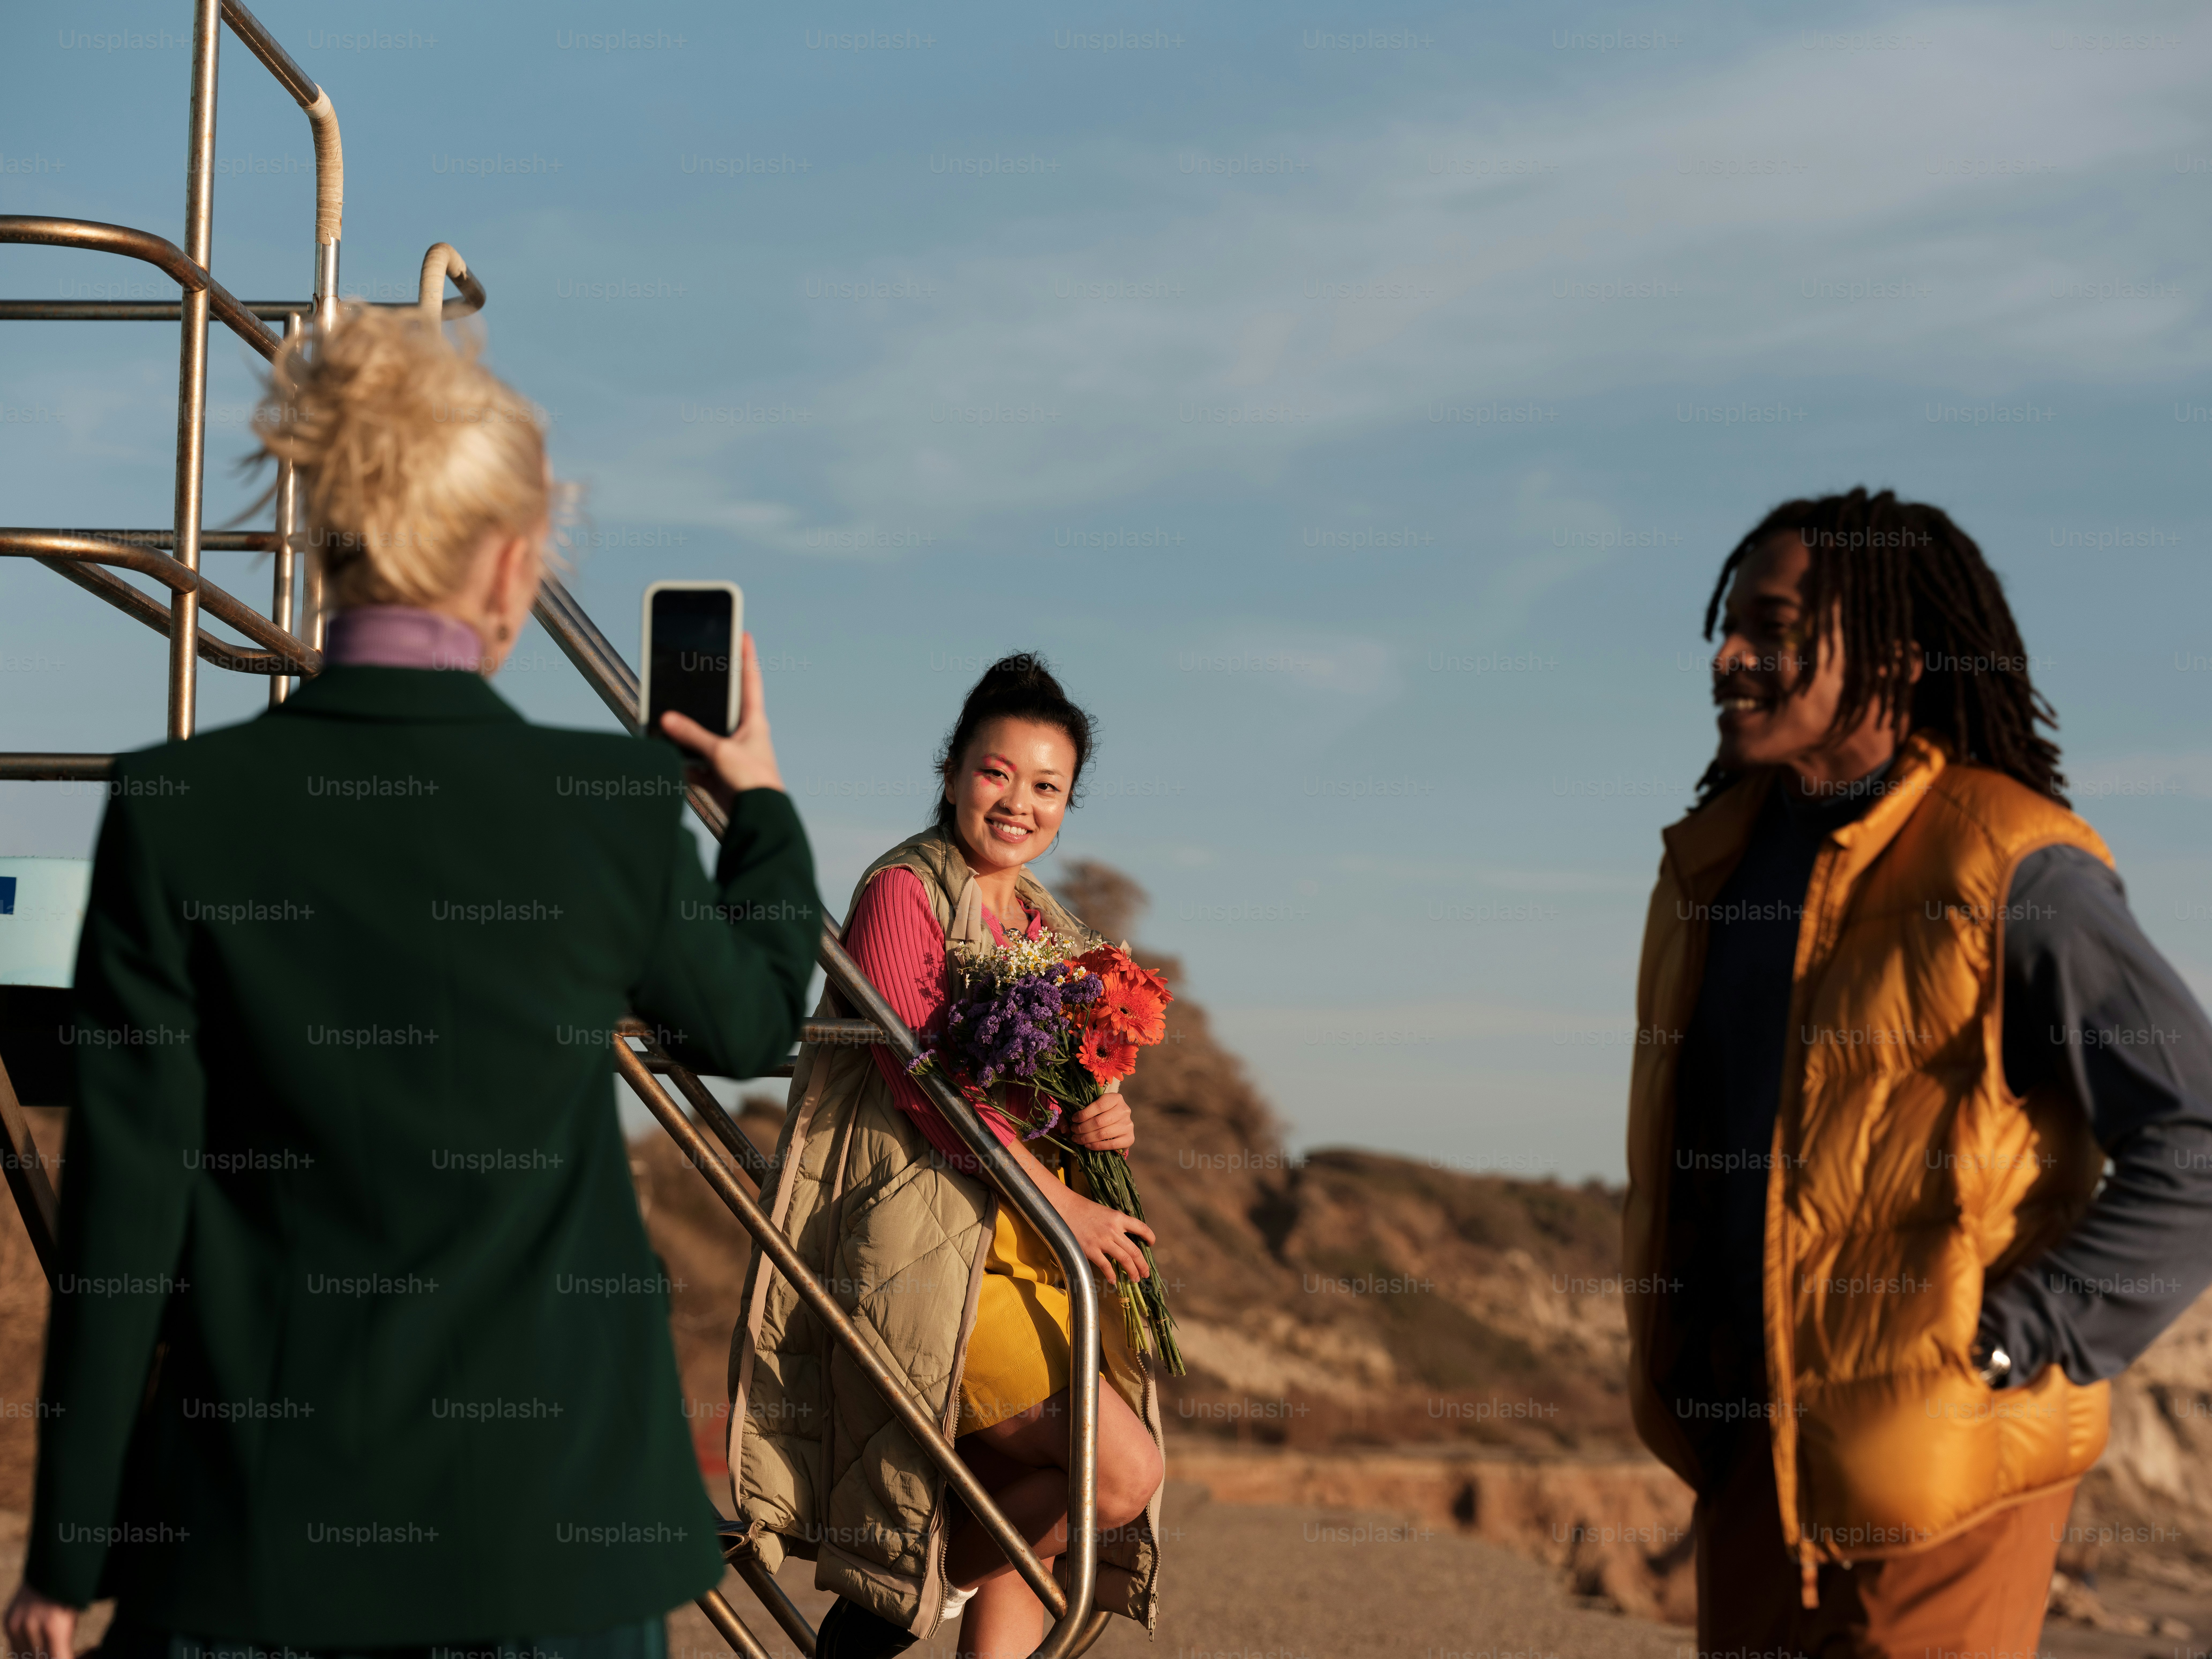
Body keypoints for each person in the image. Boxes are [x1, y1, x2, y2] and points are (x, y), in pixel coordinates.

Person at [3, 307, 819, 1659]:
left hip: (261, 1546)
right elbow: (751, 1017)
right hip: (559, 1548)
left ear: (328, 552)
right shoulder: (606, 804)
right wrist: (763, 813)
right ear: (509, 564)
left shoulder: (180, 809)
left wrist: (67, 1553)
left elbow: (123, 1221)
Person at [1623, 488, 2212, 1656]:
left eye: (1773, 630)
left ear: (1895, 656)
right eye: (1730, 628)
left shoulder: (2013, 868)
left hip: (1944, 1463)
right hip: (1751, 1453)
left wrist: (2008, 1342)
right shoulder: (1714, 866)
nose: (1729, 658)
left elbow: (2194, 1138)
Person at [727, 655, 1165, 1659]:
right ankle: (883, 1616)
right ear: (953, 770)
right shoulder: (902, 892)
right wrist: (1066, 1204)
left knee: (1032, 1510)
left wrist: (1102, 1114)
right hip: (932, 1247)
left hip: (1026, 1249)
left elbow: (1052, 1085)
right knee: (1118, 1475)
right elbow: (925, 1086)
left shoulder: (1051, 925)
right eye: (996, 773)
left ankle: (909, 1607)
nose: (1019, 803)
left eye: (1046, 786)